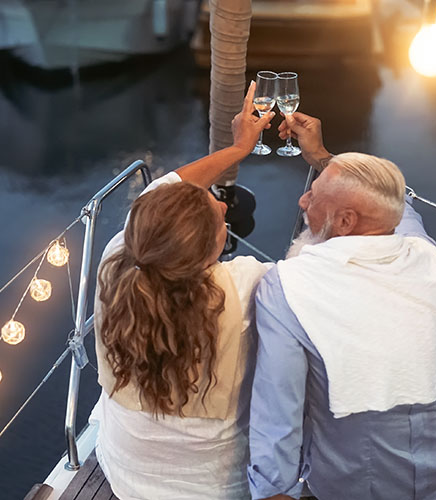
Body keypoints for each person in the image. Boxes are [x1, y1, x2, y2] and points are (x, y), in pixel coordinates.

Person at [247, 112, 436, 500]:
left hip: (360, 480)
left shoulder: (287, 287)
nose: (303, 198)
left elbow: (278, 413)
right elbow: (400, 207)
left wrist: (273, 492)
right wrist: (321, 155)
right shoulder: (425, 251)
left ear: (344, 221)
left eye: (314, 196)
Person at [90, 82, 275, 500]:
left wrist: (236, 148)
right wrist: (319, 160)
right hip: (216, 489)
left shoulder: (119, 257)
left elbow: (160, 193)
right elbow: (328, 268)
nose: (225, 206)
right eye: (219, 214)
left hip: (126, 476)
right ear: (211, 249)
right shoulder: (244, 286)